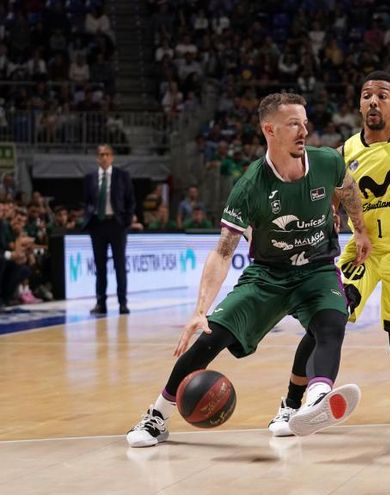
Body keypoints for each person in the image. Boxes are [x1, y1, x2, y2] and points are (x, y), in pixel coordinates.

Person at [126, 92, 372, 448]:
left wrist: (360, 229)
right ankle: (157, 415)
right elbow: (223, 251)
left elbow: (348, 190)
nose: (304, 130)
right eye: (293, 124)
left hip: (317, 269)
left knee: (332, 323)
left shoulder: (327, 161)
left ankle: (316, 400)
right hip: (268, 275)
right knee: (210, 338)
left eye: (305, 122)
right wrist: (199, 311)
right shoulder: (250, 186)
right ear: (269, 129)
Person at [266, 71, 390, 436]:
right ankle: (292, 404)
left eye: (382, 96)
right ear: (359, 105)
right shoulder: (345, 152)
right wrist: (330, 216)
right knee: (327, 318)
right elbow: (329, 202)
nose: (373, 101)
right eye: (366, 96)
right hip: (364, 255)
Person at [83, 144, 135, 315]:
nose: (104, 157)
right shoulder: (90, 177)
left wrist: (125, 222)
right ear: (97, 158)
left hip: (116, 225)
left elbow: (130, 201)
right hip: (97, 225)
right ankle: (100, 303)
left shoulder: (122, 176)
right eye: (101, 154)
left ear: (112, 157)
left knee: (119, 265)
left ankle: (122, 303)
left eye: (107, 154)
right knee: (100, 267)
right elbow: (86, 201)